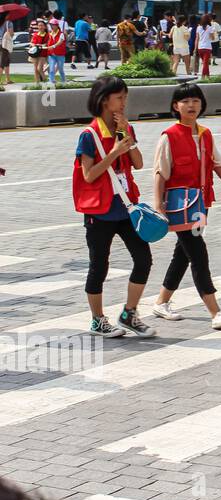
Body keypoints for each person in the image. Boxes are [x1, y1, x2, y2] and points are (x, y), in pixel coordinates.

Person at [150, 84, 221, 329]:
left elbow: (218, 164)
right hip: (179, 206)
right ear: (176, 106)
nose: (191, 105)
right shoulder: (168, 136)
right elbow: (160, 172)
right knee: (198, 254)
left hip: (200, 205)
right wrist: (158, 205)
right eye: (185, 101)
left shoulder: (205, 134)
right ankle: (215, 312)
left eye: (195, 100)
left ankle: (161, 302)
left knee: (183, 253)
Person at [72, 75, 155, 339]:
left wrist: (126, 139)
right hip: (100, 209)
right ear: (104, 100)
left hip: (126, 207)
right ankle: (97, 319)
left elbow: (139, 163)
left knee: (144, 259)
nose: (123, 102)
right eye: (119, 97)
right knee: (99, 265)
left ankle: (129, 313)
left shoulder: (125, 129)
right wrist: (114, 152)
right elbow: (89, 175)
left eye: (125, 97)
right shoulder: (89, 135)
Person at [44, 16, 67, 85]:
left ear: (57, 26)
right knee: (51, 70)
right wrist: (45, 46)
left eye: (53, 25)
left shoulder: (61, 33)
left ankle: (63, 82)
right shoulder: (50, 33)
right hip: (52, 54)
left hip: (60, 54)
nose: (52, 26)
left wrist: (53, 46)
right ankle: (51, 82)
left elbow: (60, 42)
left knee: (60, 69)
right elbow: (48, 42)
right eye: (51, 25)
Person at [0, 17, 13, 86]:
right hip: (4, 44)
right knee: (3, 62)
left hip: (0, 43)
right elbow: (11, 33)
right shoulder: (9, 22)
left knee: (6, 61)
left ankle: (8, 79)